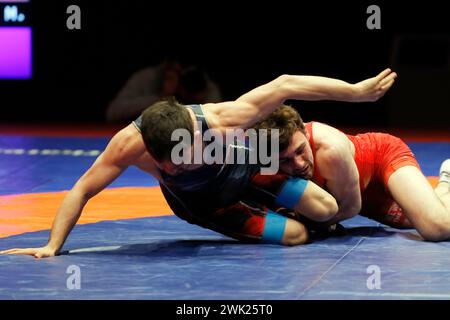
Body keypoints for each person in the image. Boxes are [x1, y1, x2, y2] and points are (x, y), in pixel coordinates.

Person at [0, 68, 396, 258]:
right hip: (210, 204)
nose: (188, 164)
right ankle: (270, 214)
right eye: (176, 165)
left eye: (192, 153)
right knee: (297, 237)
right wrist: (53, 245)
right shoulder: (126, 146)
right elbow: (83, 189)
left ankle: (270, 199)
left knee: (326, 211)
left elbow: (286, 84)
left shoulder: (221, 119)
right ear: (153, 155)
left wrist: (356, 93)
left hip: (249, 170)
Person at [253, 102, 450, 241]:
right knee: (418, 218)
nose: (298, 164)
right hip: (356, 190)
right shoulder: (262, 158)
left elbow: (351, 207)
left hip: (382, 158)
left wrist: (309, 223)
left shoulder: (330, 149)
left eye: (300, 151)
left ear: (304, 131)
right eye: (285, 161)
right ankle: (446, 179)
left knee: (436, 228)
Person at [106, 58, 223, 123]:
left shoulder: (200, 82)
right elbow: (113, 113)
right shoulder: (147, 78)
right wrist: (162, 98)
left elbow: (217, 119)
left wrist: (198, 102)